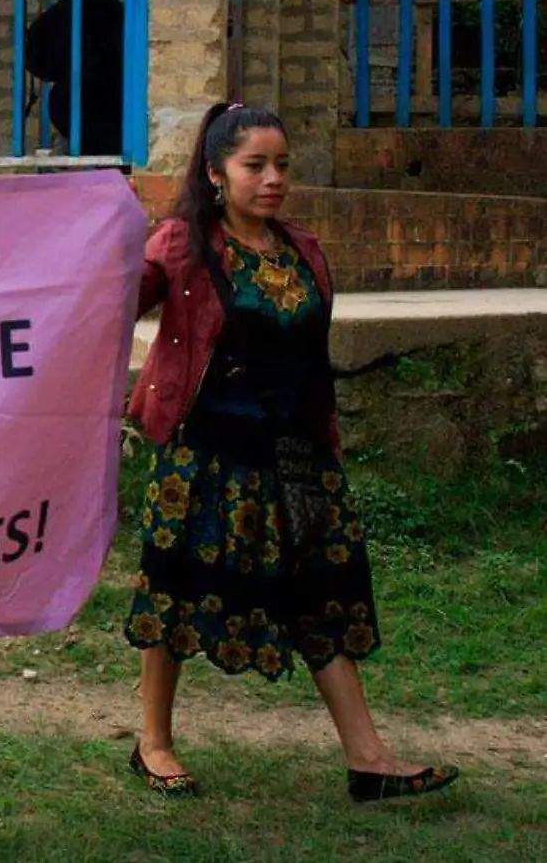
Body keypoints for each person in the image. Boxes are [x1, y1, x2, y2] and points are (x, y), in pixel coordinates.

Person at [125, 103, 458, 803]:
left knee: (325, 594)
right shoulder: (182, 246)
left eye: (282, 165)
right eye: (255, 165)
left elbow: (312, 355)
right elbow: (112, 302)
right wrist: (100, 239)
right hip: (207, 455)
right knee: (174, 591)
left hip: (299, 457)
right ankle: (153, 744)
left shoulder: (302, 249)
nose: (273, 179)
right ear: (216, 173)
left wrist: (324, 441)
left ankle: (367, 758)